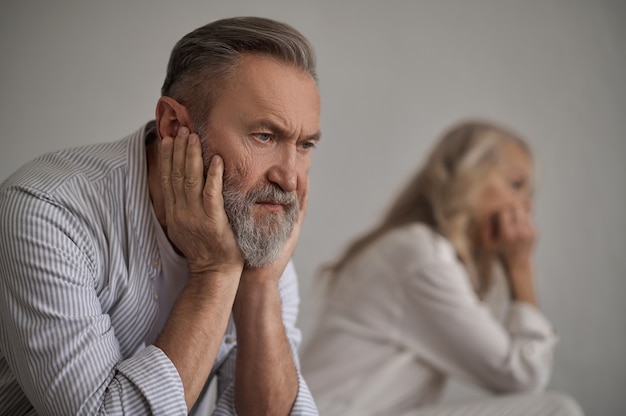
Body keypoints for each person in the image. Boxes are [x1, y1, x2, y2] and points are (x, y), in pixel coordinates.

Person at [0, 16, 321, 415]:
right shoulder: (48, 211)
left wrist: (259, 286)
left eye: (305, 144)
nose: (289, 178)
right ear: (174, 125)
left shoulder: (253, 226)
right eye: (265, 136)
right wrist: (215, 273)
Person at [301, 120, 584, 416]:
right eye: (516, 185)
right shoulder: (420, 256)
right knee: (557, 410)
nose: (527, 208)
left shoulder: (414, 248)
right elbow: (523, 375)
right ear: (468, 175)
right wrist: (520, 267)